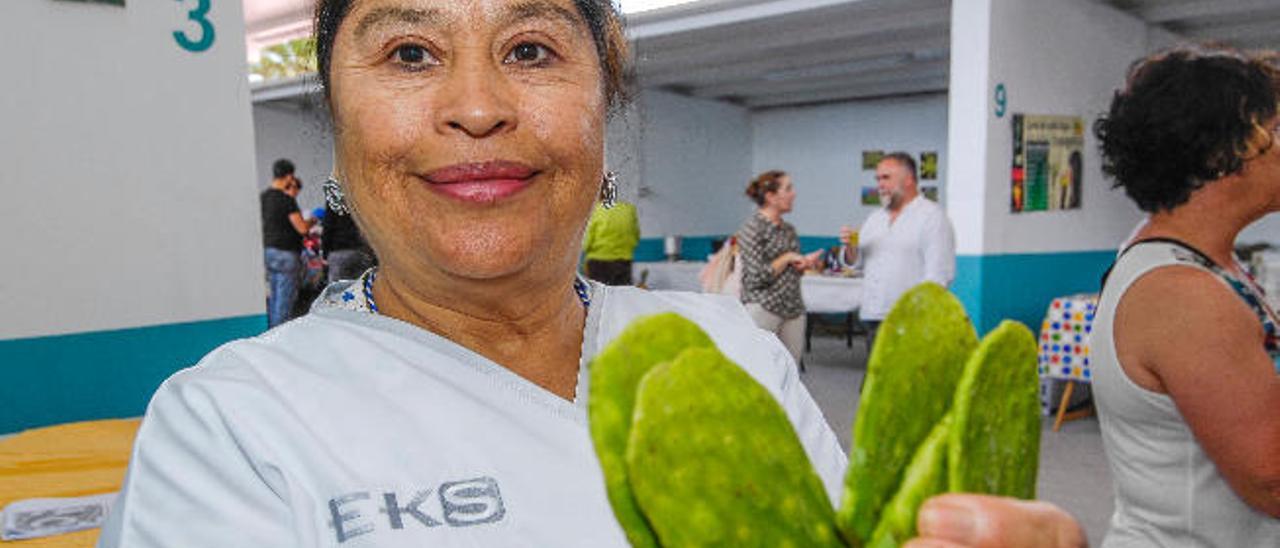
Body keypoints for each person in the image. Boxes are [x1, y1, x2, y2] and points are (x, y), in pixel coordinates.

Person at [98, 1, 1082, 546]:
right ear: (337, 124)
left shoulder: (725, 351)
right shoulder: (233, 425)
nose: (476, 105)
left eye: (529, 49)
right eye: (408, 52)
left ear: (603, 107)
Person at [1091, 45, 1280, 547]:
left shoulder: (1196, 262)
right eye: (1277, 131)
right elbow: (1272, 480)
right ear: (1222, 154)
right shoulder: (1183, 295)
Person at [840, 152, 956, 347]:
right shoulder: (875, 218)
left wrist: (917, 317)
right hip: (874, 315)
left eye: (886, 178)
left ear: (909, 180)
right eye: (877, 179)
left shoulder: (932, 217)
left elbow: (938, 275)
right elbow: (856, 262)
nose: (880, 185)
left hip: (910, 320)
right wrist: (851, 247)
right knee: (876, 377)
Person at [738, 170, 822, 365]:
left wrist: (805, 264)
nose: (794, 194)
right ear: (770, 197)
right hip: (764, 307)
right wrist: (787, 257)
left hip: (793, 309)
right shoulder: (752, 228)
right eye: (788, 188)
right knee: (760, 370)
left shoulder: (788, 230)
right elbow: (756, 277)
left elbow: (790, 270)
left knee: (790, 373)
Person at [260, 160, 314, 327]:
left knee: (274, 296)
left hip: (269, 251)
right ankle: (278, 337)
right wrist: (312, 221)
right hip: (286, 253)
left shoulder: (264, 197)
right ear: (289, 176)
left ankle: (270, 331)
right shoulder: (286, 199)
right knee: (284, 299)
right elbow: (302, 228)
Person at [581, 198, 640, 285]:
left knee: (598, 295)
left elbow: (587, 240)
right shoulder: (629, 209)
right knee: (621, 293)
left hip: (598, 261)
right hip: (623, 260)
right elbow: (635, 235)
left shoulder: (597, 210)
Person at [321, 196, 376, 282]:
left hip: (339, 251)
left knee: (337, 290)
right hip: (362, 251)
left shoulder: (334, 198)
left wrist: (325, 253)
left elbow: (328, 226)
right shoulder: (362, 197)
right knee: (361, 288)